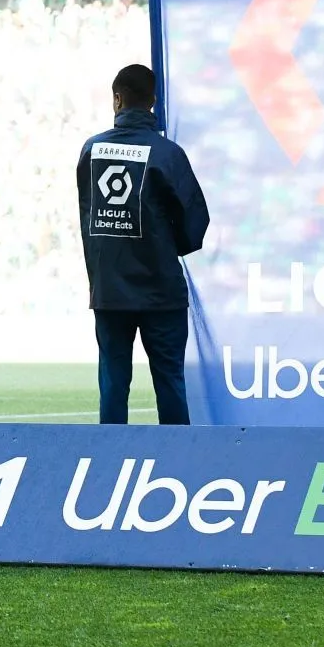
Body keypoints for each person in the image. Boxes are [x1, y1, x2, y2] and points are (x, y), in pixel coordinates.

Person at [77, 63, 210, 425]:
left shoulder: (92, 150)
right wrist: (166, 246)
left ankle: (110, 462)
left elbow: (89, 218)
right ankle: (178, 462)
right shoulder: (167, 153)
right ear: (153, 102)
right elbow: (196, 221)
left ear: (117, 100)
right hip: (159, 290)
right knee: (169, 382)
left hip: (110, 291)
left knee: (113, 385)